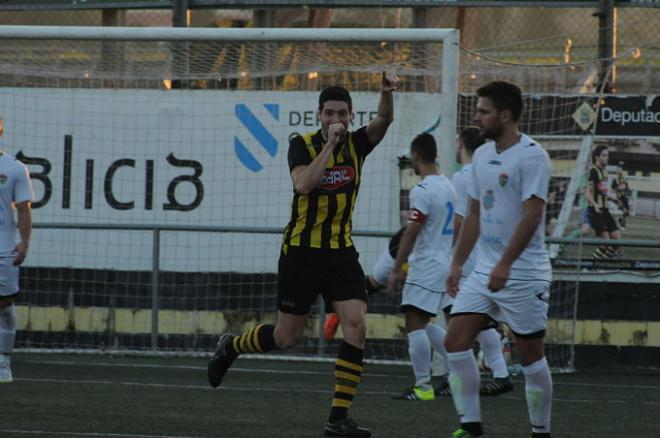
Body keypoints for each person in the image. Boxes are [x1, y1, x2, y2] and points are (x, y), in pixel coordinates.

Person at [207, 73, 399, 438]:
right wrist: (329, 146)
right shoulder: (303, 145)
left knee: (356, 324)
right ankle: (230, 346)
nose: (335, 120)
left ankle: (337, 419)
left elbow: (385, 120)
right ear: (319, 116)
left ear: (351, 115)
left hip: (341, 253)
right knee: (286, 337)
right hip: (301, 253)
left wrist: (386, 93)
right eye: (329, 113)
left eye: (342, 113)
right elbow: (304, 184)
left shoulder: (358, 145)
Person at [445, 81, 553, 438]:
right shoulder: (481, 155)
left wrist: (505, 263)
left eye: (484, 110)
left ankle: (540, 430)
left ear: (505, 115)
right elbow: (474, 215)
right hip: (482, 270)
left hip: (523, 272)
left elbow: (532, 215)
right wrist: (458, 263)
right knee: (455, 342)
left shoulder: (532, 155)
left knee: (530, 356)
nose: (476, 116)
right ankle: (471, 426)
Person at [381, 133, 455, 402]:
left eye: (411, 157)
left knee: (414, 323)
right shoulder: (448, 186)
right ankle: (461, 359)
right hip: (444, 262)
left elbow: (411, 232)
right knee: (423, 322)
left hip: (426, 264)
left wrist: (396, 268)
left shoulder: (423, 190)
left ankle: (423, 385)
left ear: (417, 155)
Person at [450, 126, 513, 398]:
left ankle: (462, 378)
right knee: (483, 319)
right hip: (488, 252)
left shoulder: (464, 176)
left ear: (461, 143)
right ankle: (499, 373)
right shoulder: (486, 171)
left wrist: (451, 253)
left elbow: (461, 219)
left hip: (471, 256)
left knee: (462, 317)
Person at [0, 117, 35, 383]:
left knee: (4, 306)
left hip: (4, 248)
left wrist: (24, 242)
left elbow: (24, 208)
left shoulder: (14, 168)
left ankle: (4, 361)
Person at [584, 145, 622, 259]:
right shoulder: (593, 171)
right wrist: (595, 204)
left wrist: (614, 199)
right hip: (595, 210)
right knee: (605, 242)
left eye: (607, 155)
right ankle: (592, 264)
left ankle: (602, 260)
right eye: (604, 155)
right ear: (597, 157)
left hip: (605, 209)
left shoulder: (605, 172)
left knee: (617, 240)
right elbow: (587, 192)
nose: (607, 157)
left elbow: (603, 191)